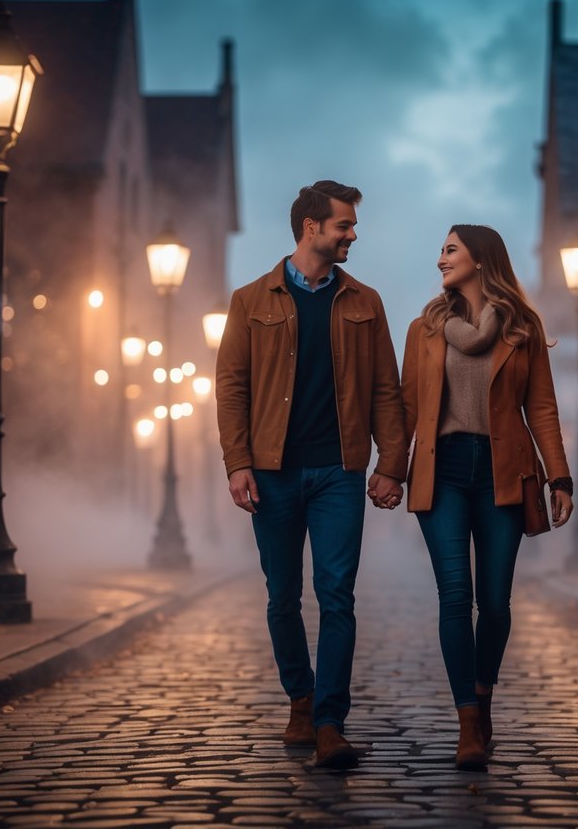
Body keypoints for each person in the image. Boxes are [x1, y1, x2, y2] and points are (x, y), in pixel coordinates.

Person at [215, 180, 408, 769]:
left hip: (338, 473)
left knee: (337, 597)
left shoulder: (365, 302)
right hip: (272, 473)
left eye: (351, 225)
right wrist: (238, 462)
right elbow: (232, 386)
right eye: (343, 225)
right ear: (310, 229)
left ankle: (329, 722)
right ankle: (299, 698)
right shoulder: (251, 300)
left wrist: (391, 464)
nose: (353, 234)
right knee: (282, 597)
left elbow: (384, 389)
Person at [400, 224, 574, 770]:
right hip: (443, 471)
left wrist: (558, 477)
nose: (440, 260)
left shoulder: (522, 327)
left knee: (495, 603)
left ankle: (485, 690)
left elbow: (541, 407)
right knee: (456, 596)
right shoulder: (424, 329)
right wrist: (388, 470)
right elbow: (407, 408)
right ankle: (468, 722)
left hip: (505, 472)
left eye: (449, 250)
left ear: (481, 258)